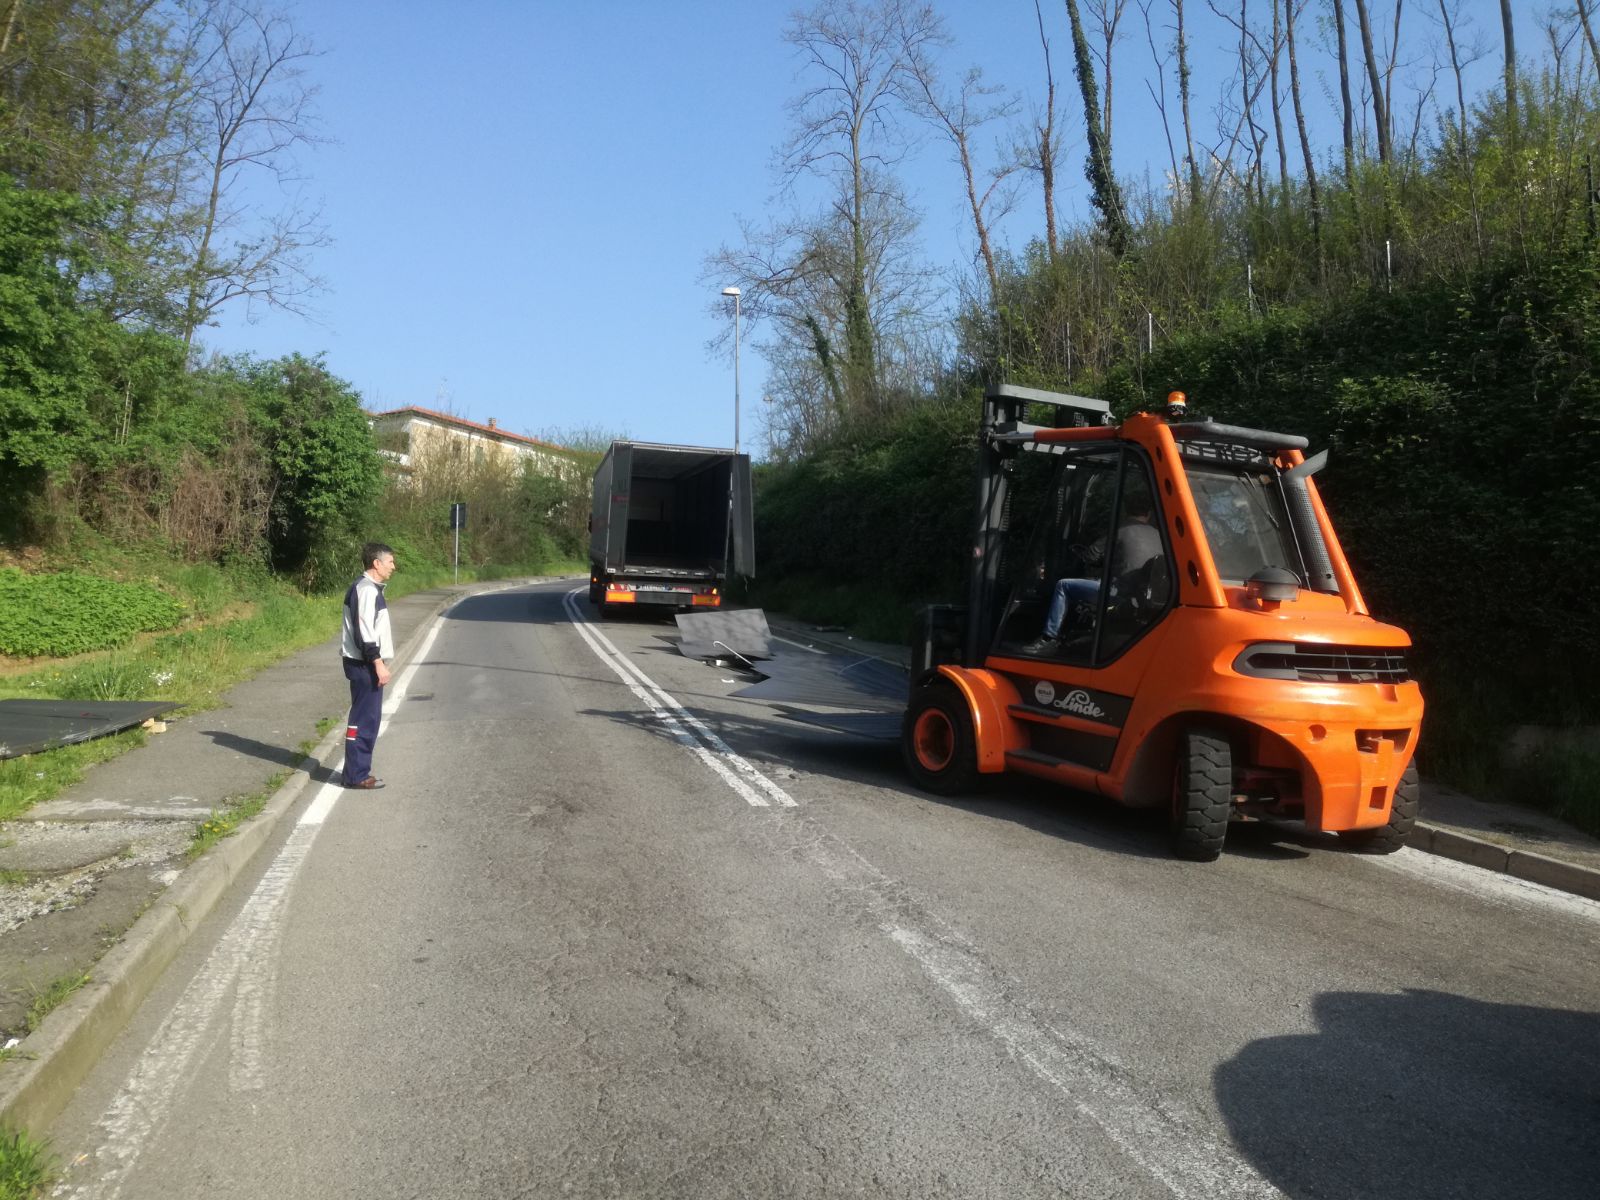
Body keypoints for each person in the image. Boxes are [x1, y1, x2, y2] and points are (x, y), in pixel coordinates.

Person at [1025, 493, 1162, 655]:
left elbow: (1091, 555)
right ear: (1149, 513)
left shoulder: (1120, 531)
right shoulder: (1159, 536)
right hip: (1146, 598)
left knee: (1064, 585)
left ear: (1126, 510)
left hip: (1117, 593)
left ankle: (1048, 639)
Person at [341, 542, 397, 789]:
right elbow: (364, 633)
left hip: (363, 663)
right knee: (364, 720)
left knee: (364, 719)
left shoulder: (368, 588)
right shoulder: (366, 590)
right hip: (364, 665)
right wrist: (378, 663)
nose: (393, 566)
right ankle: (357, 775)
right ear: (377, 563)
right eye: (390, 561)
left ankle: (355, 772)